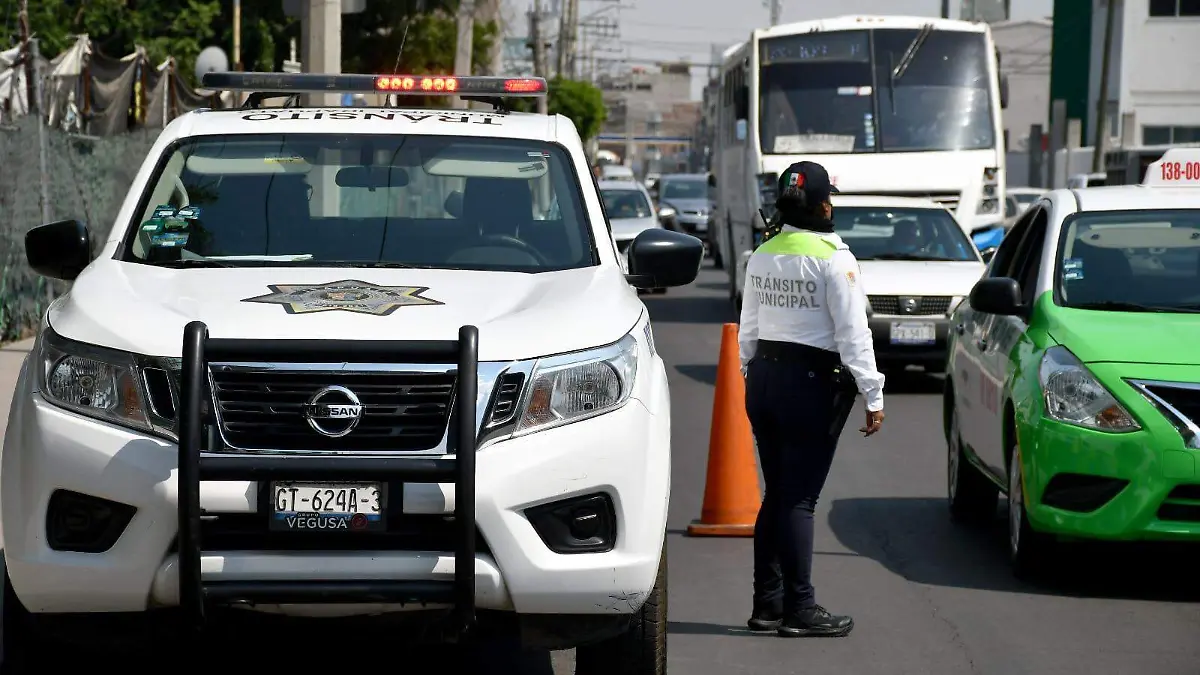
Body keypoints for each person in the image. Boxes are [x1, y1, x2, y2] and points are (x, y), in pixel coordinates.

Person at [737, 160, 886, 638]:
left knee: (777, 494)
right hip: (808, 383)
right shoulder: (833, 258)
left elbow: (750, 329)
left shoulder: (762, 254)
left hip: (763, 379)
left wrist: (751, 374)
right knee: (800, 499)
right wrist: (872, 393)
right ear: (824, 204)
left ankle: (767, 604)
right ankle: (801, 608)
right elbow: (852, 333)